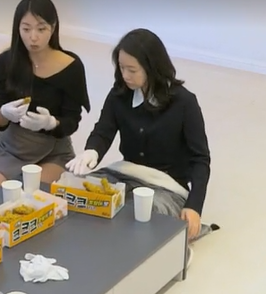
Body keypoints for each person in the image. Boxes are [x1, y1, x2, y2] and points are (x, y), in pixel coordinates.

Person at [66, 28, 218, 251]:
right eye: (121, 68)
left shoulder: (184, 102)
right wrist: (92, 151)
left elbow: (201, 159)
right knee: (80, 194)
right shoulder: (119, 94)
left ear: (152, 67)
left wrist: (194, 206)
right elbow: (103, 131)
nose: (125, 75)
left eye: (132, 70)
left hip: (167, 185)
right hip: (126, 173)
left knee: (142, 217)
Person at [0, 0, 92, 189]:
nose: (33, 37)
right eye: (26, 29)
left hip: (53, 150)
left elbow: (71, 122)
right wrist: (4, 113)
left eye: (41, 29)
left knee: (33, 195)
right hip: (11, 147)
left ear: (53, 27)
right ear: (17, 29)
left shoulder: (71, 66)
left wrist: (50, 123)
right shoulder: (4, 64)